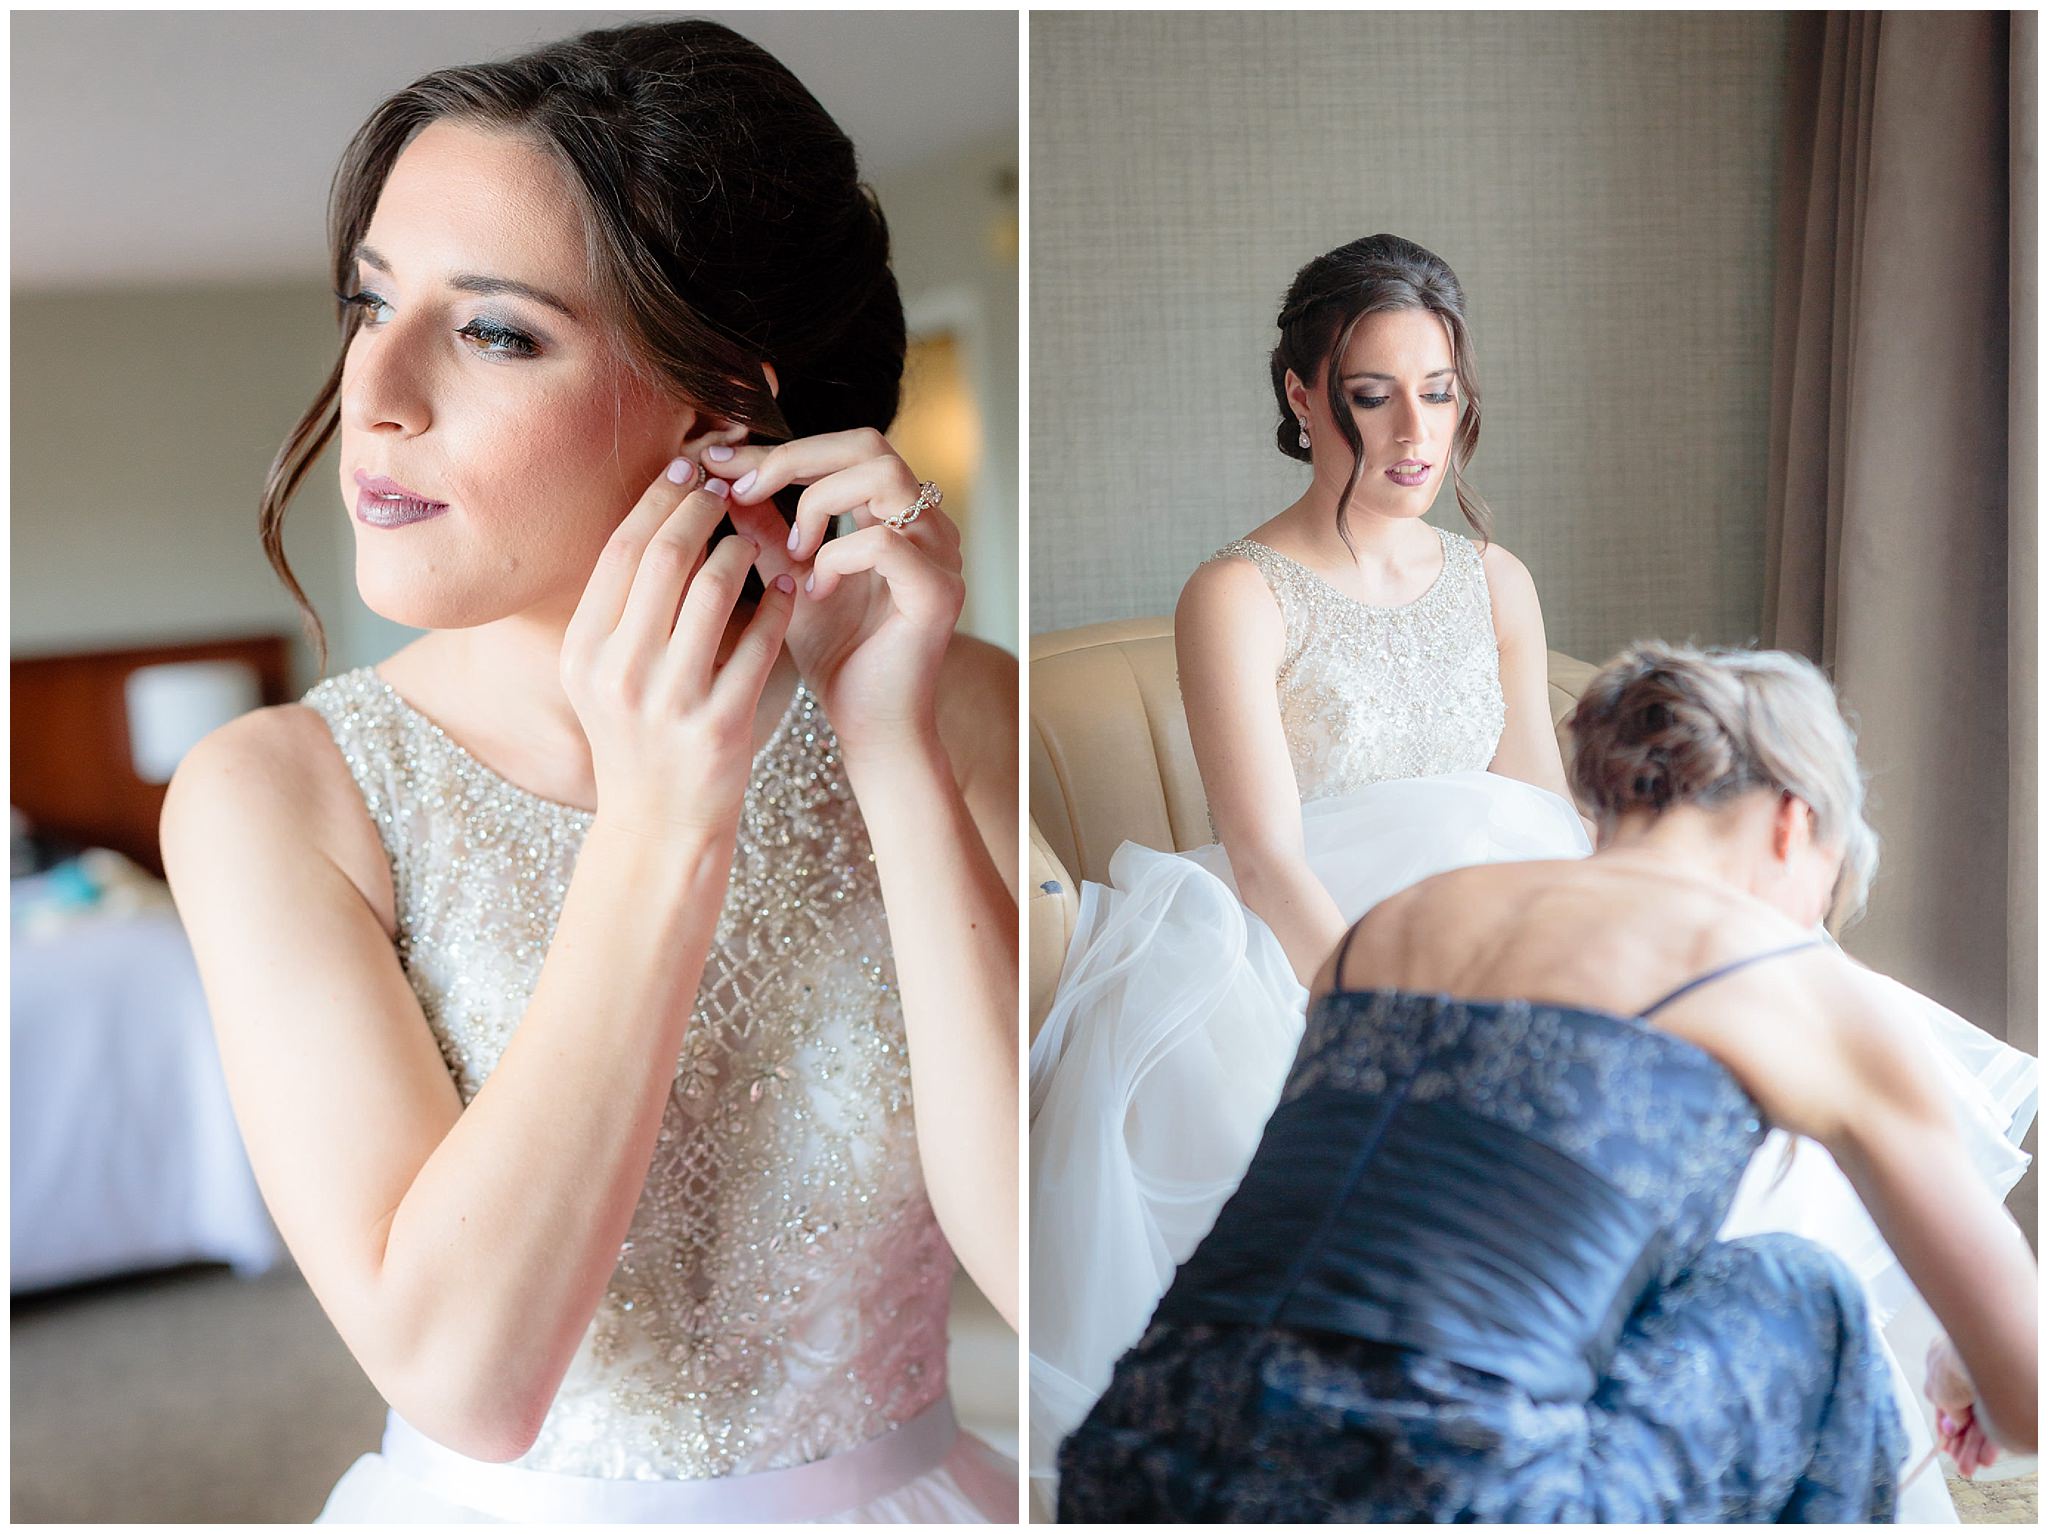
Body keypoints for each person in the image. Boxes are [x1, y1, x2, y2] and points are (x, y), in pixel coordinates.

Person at [1026, 234, 2032, 1518]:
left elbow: (1530, 808)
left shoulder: (1491, 588)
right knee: (1801, 1289)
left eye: (1436, 390)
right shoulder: (1240, 589)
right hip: (1313, 899)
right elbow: (1269, 848)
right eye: (1371, 389)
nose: (1412, 430)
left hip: (1159, 1454)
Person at [161, 20, 1017, 1523]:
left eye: (492, 329)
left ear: (718, 407)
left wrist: (894, 751)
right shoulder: (274, 798)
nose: (379, 390)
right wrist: (664, 821)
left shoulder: (955, 712)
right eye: (372, 302)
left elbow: (1050, 1280)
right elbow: (468, 1378)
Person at [1056, 642, 2038, 1522]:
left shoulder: (1394, 923)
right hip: (1445, 1491)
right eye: (1827, 880)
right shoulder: (1781, 975)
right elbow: (2028, 1396)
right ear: (1791, 825)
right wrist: (1959, 1364)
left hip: (1135, 1458)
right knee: (1804, 1288)